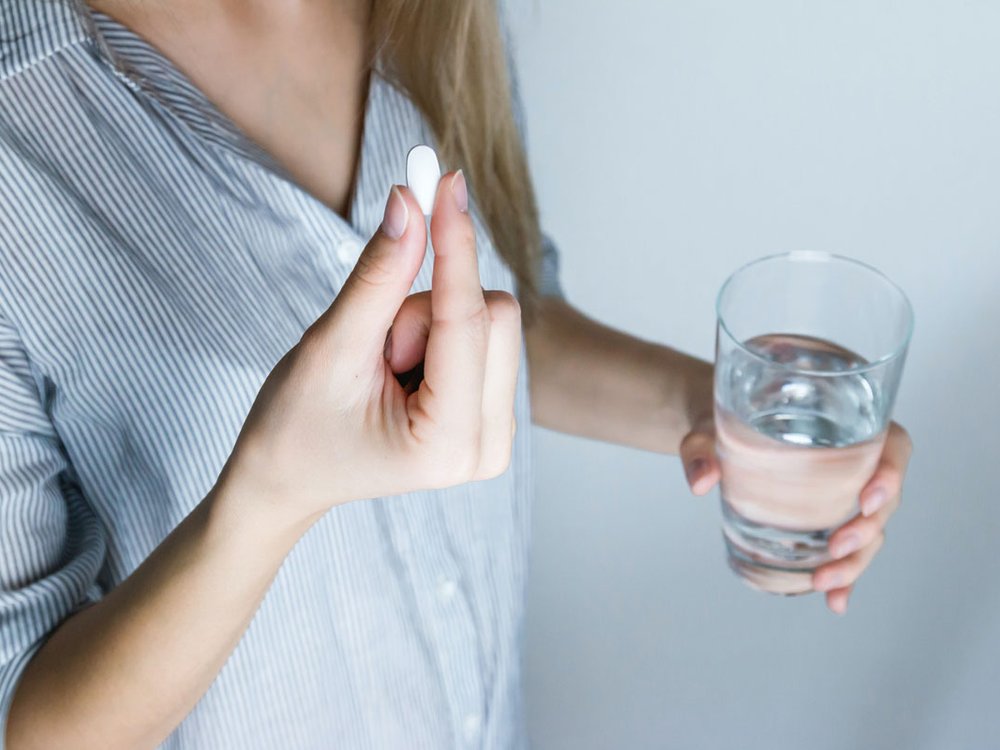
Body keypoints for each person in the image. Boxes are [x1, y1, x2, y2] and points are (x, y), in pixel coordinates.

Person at [0, 0, 912, 747]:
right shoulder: (21, 125)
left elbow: (506, 322)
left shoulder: (439, 16)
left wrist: (717, 413)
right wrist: (271, 494)